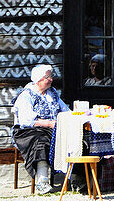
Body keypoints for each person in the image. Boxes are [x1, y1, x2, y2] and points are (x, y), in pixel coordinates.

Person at [12, 64, 70, 194]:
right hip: (28, 131)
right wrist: (49, 124)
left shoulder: (52, 93)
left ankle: (77, 180)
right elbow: (27, 120)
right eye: (47, 77)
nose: (51, 79)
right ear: (38, 79)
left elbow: (65, 110)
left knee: (71, 138)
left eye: (51, 76)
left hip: (51, 128)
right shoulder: (27, 95)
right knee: (41, 141)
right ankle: (42, 182)